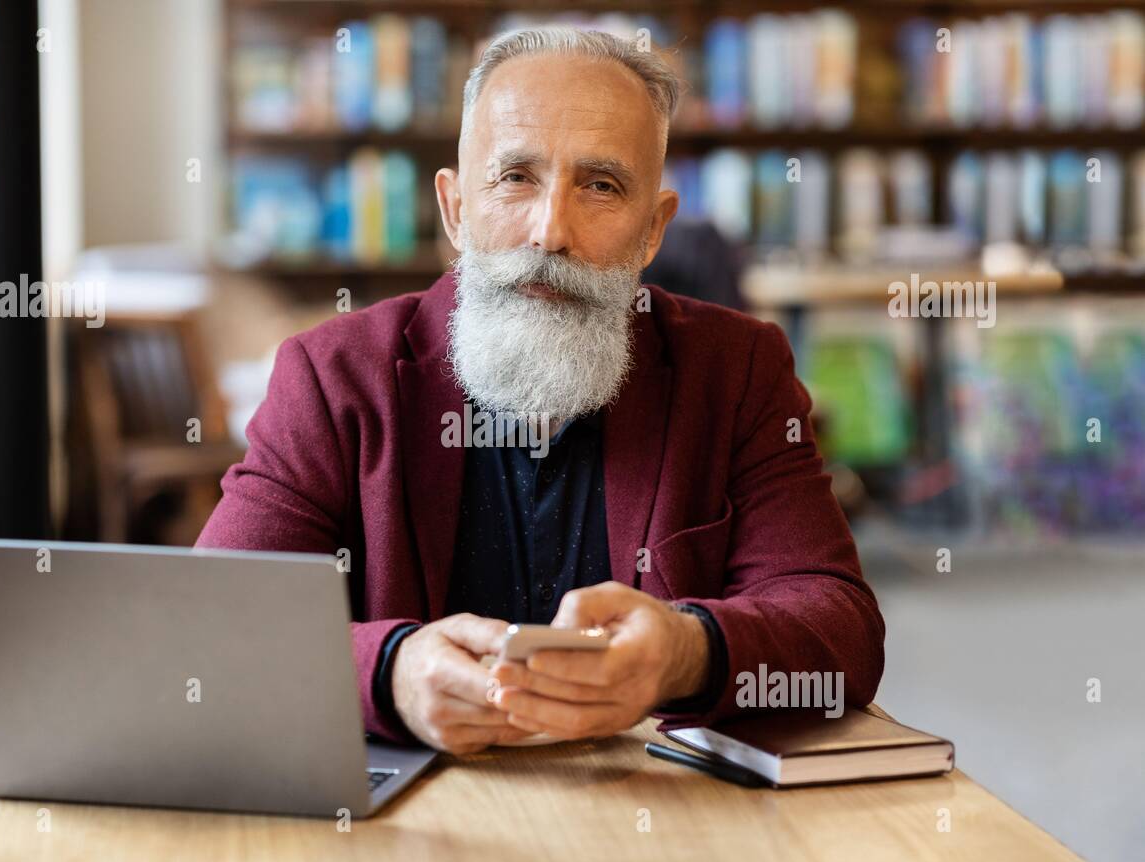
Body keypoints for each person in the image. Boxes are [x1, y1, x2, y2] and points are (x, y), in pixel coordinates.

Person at [198, 27, 884, 754]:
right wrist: (387, 672)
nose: (550, 231)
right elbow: (211, 625)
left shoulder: (737, 369)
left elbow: (841, 628)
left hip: (657, 819)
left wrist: (687, 650)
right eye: (515, 177)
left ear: (653, 231)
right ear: (456, 210)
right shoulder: (332, 376)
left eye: (601, 186)